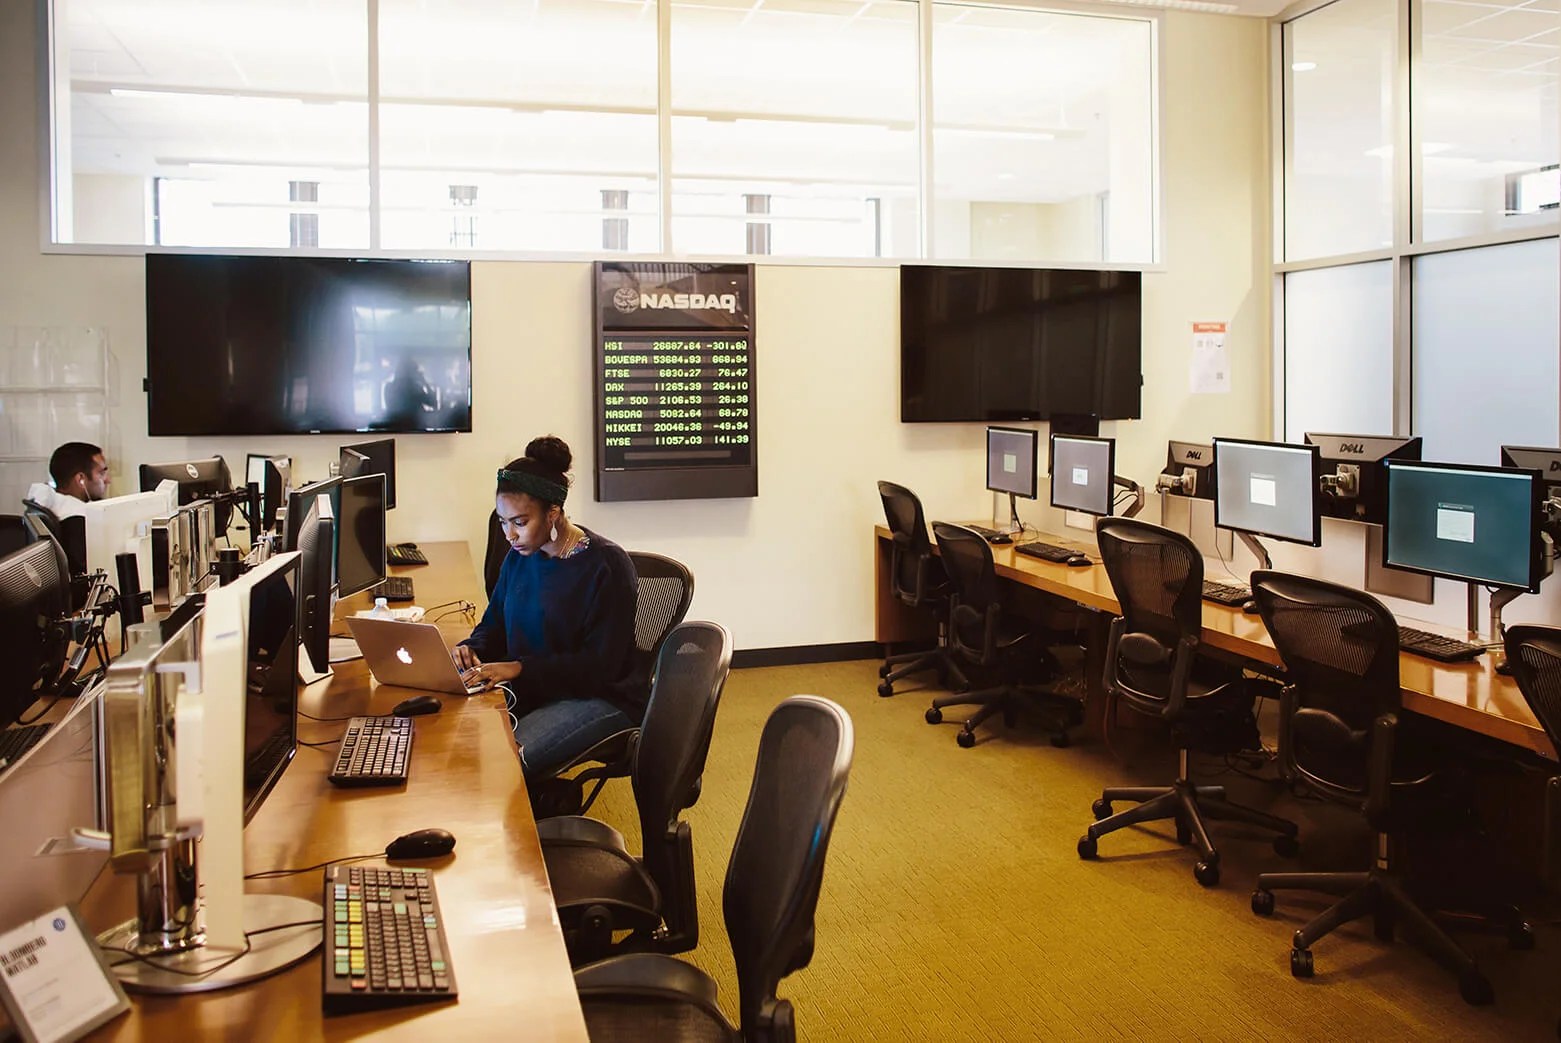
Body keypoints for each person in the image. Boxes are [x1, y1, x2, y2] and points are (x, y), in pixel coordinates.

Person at [452, 436, 643, 783]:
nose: (509, 535)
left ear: (553, 513)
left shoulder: (606, 565)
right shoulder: (519, 556)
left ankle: (527, 833)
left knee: (504, 761)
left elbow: (600, 667)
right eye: (502, 522)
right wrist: (472, 650)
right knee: (457, 738)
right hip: (537, 686)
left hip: (599, 697)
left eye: (520, 522)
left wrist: (519, 668)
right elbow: (493, 623)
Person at [24, 442, 109, 519]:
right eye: (102, 473)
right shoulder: (79, 521)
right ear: (80, 479)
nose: (108, 480)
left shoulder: (57, 506)